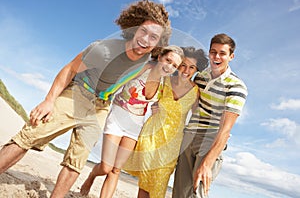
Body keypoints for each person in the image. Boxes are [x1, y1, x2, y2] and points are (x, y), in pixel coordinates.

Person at [0, 0, 171, 197]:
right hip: (79, 93)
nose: (146, 40)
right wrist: (49, 100)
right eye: (143, 31)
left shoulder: (145, 61)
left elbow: (170, 68)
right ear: (134, 28)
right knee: (30, 135)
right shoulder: (104, 50)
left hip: (100, 107)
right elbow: (70, 68)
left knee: (77, 161)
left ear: (158, 44)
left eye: (153, 37)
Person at [80, 45, 184, 198]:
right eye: (168, 60)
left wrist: (157, 109)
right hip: (116, 118)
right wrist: (100, 97)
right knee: (106, 167)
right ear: (160, 57)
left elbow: (167, 105)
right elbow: (118, 82)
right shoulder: (143, 67)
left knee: (116, 170)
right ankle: (91, 176)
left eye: (174, 66)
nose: (169, 67)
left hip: (135, 127)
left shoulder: (165, 84)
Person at [123, 47, 208, 198]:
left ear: (196, 69)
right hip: (151, 135)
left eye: (192, 67)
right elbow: (148, 94)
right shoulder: (165, 80)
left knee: (160, 183)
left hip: (172, 144)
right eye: (183, 65)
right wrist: (153, 106)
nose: (186, 70)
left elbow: (198, 119)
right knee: (145, 181)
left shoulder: (196, 93)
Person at [172, 33, 248, 198]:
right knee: (178, 193)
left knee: (196, 193)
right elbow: (190, 103)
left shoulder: (237, 86)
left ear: (231, 56)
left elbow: (226, 129)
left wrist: (207, 163)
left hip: (210, 139)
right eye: (213, 52)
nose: (217, 56)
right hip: (189, 135)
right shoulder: (200, 77)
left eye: (222, 53)